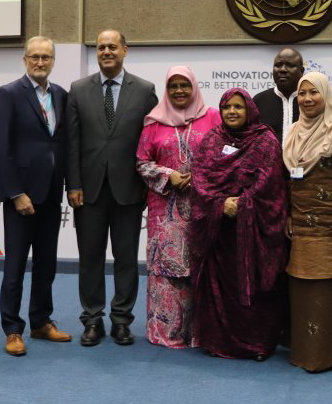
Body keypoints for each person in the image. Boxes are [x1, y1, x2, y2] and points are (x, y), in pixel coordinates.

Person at [67, 29, 158, 346]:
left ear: (125, 50)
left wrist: (148, 185)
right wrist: (73, 184)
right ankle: (92, 320)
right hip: (88, 192)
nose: (106, 51)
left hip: (129, 191)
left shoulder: (145, 90)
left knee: (126, 259)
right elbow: (72, 142)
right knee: (90, 259)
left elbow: (151, 142)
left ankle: (121, 320)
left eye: (112, 47)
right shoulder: (78, 89)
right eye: (101, 47)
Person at [189, 89, 289, 361]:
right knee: (220, 288)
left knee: (256, 289)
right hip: (218, 232)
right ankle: (219, 341)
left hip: (253, 232)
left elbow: (269, 183)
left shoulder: (265, 141)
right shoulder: (212, 140)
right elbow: (199, 179)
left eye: (238, 107)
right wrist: (220, 204)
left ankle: (257, 343)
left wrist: (243, 204)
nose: (232, 112)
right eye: (226, 107)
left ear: (250, 110)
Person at [0, 36, 72, 356]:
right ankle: (12, 330)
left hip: (51, 193)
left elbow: (61, 143)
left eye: (46, 57)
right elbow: (1, 147)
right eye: (35, 56)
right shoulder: (9, 94)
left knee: (46, 265)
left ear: (53, 61)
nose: (40, 62)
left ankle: (40, 321)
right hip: (21, 197)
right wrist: (15, 192)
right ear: (25, 59)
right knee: (14, 267)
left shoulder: (61, 95)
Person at [283, 71, 332, 373]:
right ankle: (307, 353)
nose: (307, 99)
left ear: (326, 94)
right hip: (302, 225)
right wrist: (288, 213)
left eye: (313, 92)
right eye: (302, 94)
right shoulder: (294, 131)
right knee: (304, 289)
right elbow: (288, 180)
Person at [135, 66, 219, 348]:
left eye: (185, 85)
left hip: (202, 207)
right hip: (164, 210)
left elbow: (224, 155)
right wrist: (168, 175)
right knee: (165, 269)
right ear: (167, 90)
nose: (180, 91)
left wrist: (200, 176)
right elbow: (142, 163)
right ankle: (166, 331)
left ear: (194, 87)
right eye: (174, 86)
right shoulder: (153, 122)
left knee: (201, 267)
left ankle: (200, 333)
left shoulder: (213, 117)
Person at [254, 48, 304, 145]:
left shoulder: (311, 102)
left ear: (301, 71)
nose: (282, 69)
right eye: (278, 65)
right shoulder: (259, 100)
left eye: (290, 65)